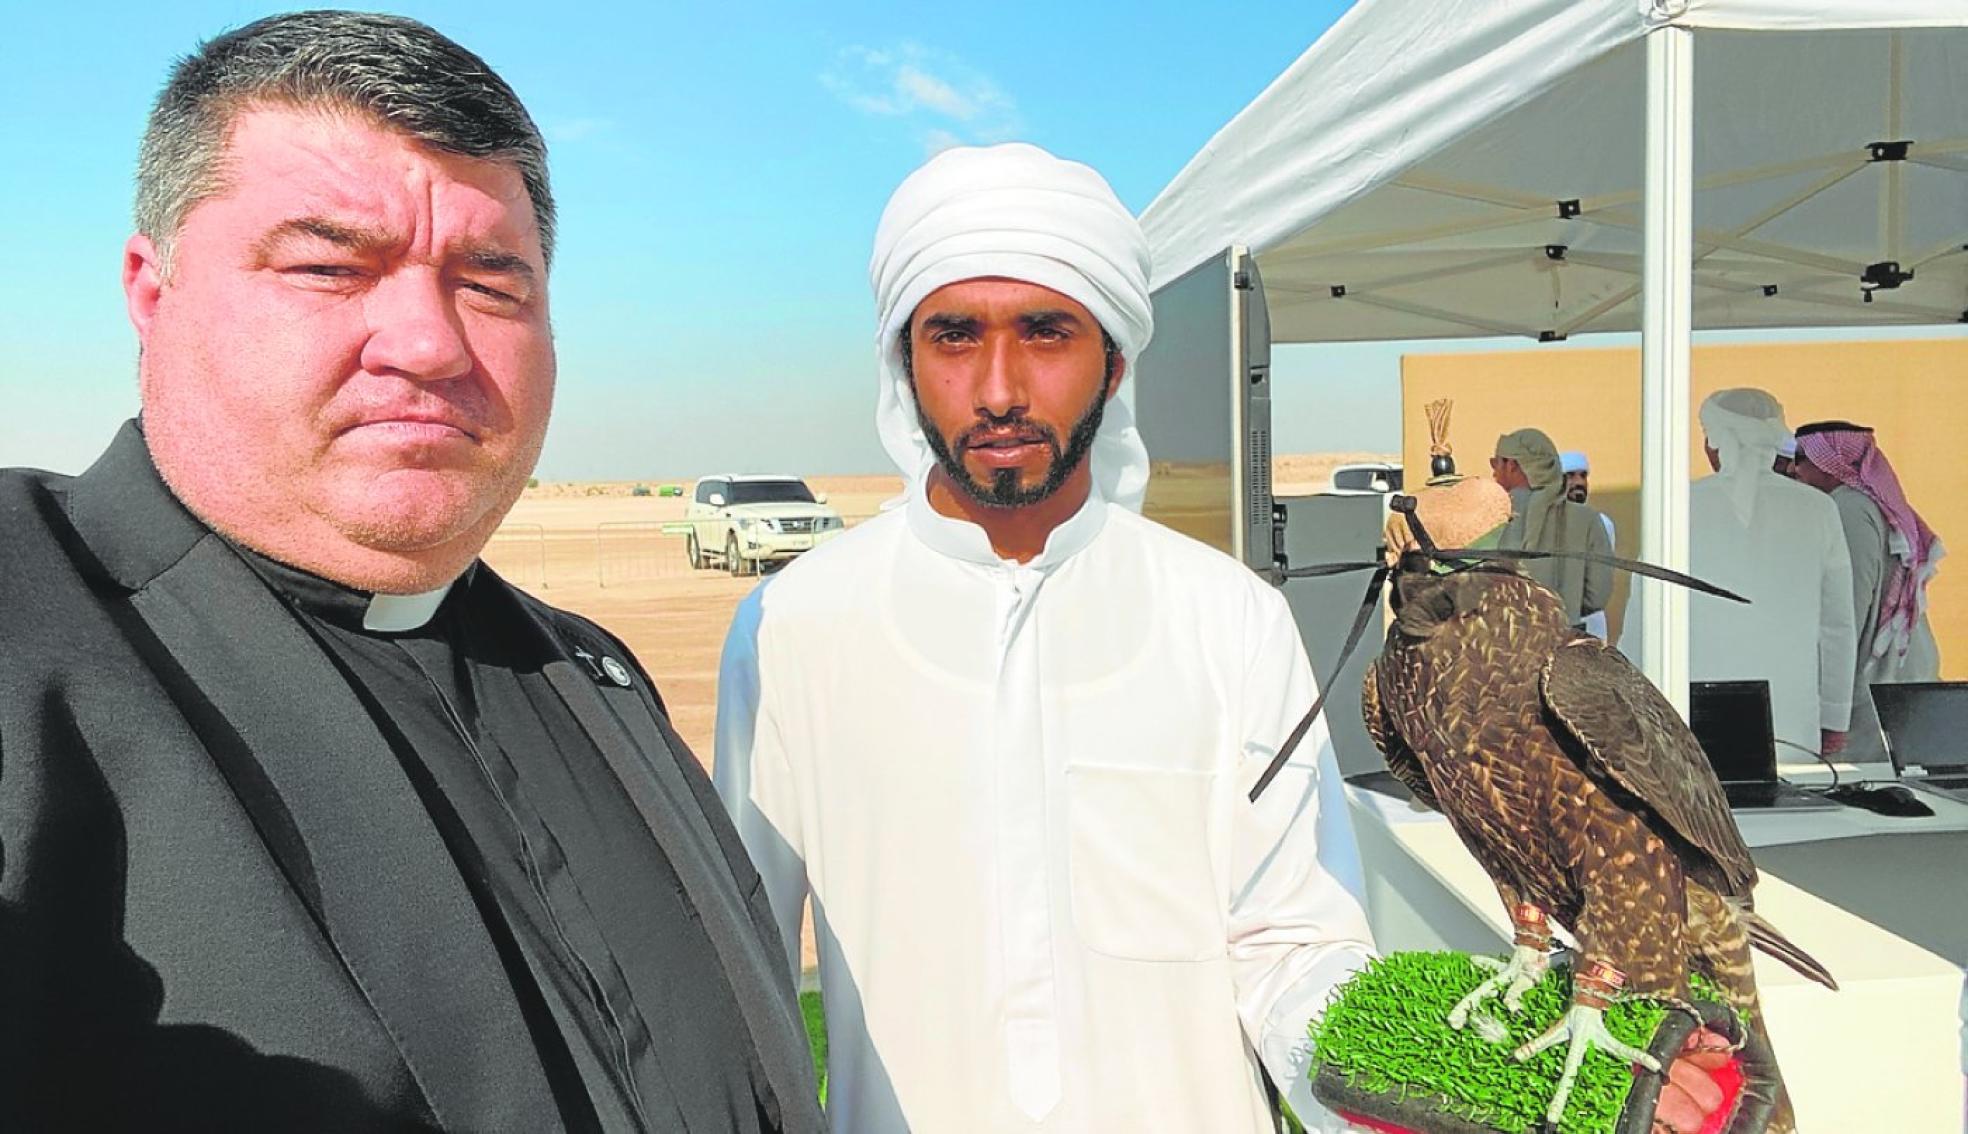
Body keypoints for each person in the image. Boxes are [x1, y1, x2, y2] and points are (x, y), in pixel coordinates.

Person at [0, 14, 822, 1132]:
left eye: (491, 285)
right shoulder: (22, 623)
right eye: (331, 266)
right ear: (153, 288)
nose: (430, 344)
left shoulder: (590, 676)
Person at [714, 143, 1375, 1133]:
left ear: (1113, 360)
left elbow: (1294, 946)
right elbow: (739, 968)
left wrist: (1448, 1075)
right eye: (953, 336)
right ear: (903, 360)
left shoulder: (1229, 618)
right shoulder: (792, 627)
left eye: (1045, 332)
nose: (998, 388)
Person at [1687, 389, 1858, 761]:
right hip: (1792, 721)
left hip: (1688, 717)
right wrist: (1835, 716)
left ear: (1715, 441)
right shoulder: (1819, 508)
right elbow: (1838, 626)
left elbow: (1643, 616)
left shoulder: (1677, 504)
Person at [1793, 420, 1945, 763]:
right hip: (1902, 685)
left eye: (1803, 458)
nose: (1793, 469)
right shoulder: (1869, 505)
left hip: (1874, 691)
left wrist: (1828, 700)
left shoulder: (1850, 507)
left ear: (1834, 460)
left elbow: (1847, 610)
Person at [1492, 428, 1613, 629]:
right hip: (1564, 642)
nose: (1493, 472)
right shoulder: (1587, 519)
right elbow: (1597, 596)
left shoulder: (1493, 516)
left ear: (1512, 465)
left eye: (1495, 463)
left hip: (1504, 647)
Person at [1559, 449, 1617, 639]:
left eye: (1582, 476)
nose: (1578, 483)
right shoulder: (1545, 525)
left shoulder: (1602, 523)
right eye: (1570, 476)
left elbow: (1599, 579)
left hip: (1589, 622)